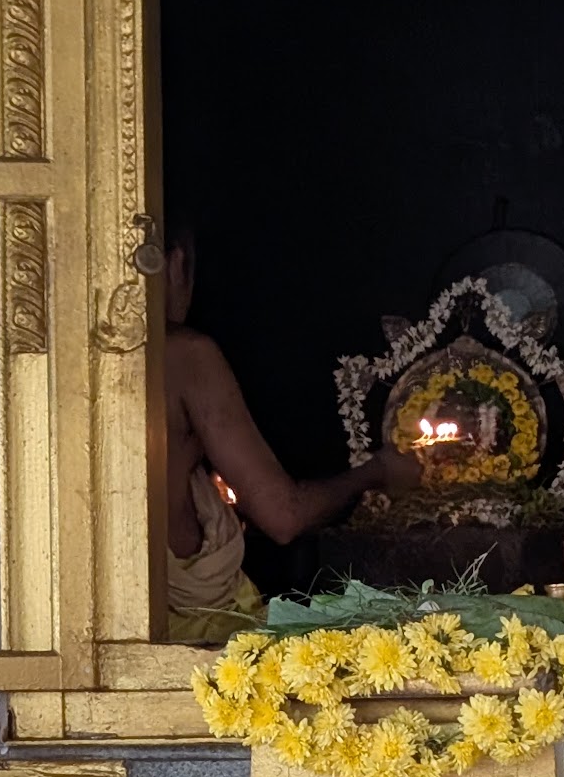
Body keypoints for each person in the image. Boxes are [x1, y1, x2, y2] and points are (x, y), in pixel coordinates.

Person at [164, 218, 421, 642]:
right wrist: (377, 472)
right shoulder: (185, 355)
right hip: (189, 642)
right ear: (176, 260)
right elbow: (283, 516)